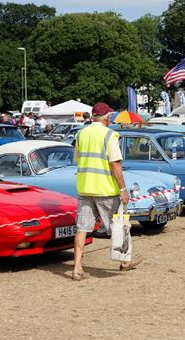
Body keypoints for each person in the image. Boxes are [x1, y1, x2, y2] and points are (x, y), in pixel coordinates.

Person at [72, 102, 132, 281]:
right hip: (105, 189)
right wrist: (123, 189)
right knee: (118, 226)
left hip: (85, 188)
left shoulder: (81, 134)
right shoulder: (110, 135)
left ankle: (76, 267)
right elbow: (115, 164)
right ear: (106, 117)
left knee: (81, 228)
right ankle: (124, 262)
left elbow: (77, 159)